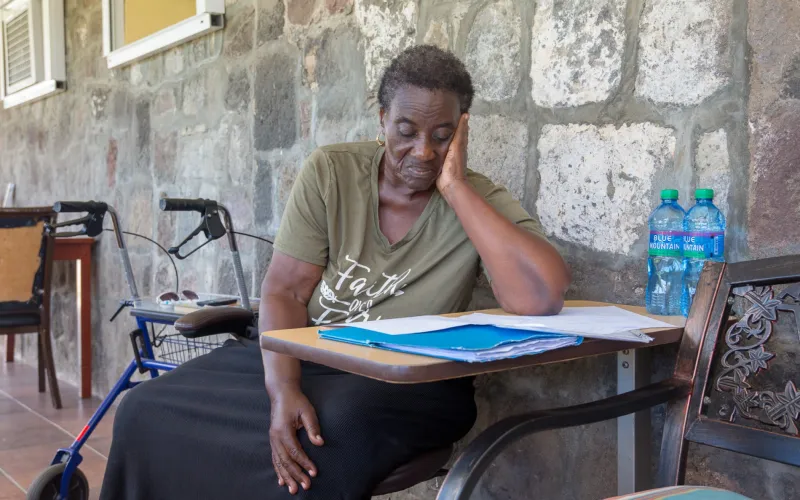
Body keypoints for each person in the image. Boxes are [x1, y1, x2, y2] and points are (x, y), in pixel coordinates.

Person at [99, 45, 570, 500]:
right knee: (143, 408)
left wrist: (457, 189)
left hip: (407, 380)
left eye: (443, 135)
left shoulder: (476, 199)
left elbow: (540, 297)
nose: (423, 151)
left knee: (321, 435)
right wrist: (283, 389)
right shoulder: (332, 172)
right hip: (311, 354)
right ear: (382, 119)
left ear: (463, 129)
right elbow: (285, 292)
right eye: (406, 131)